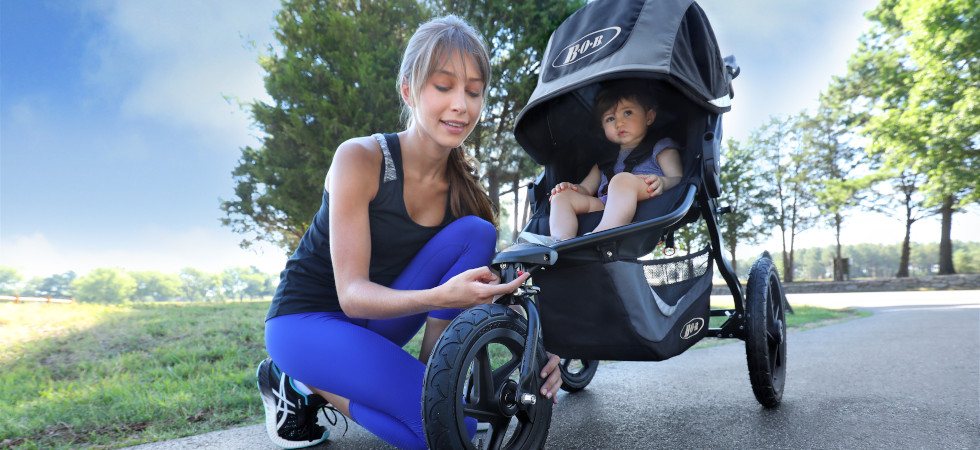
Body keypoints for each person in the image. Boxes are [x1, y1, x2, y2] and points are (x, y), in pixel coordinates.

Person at [255, 15, 563, 450]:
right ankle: (302, 381)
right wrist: (440, 297)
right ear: (408, 90)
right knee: (451, 433)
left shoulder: (463, 196)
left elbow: (492, 290)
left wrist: (541, 349)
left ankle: (431, 378)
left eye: (474, 91)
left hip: (377, 322)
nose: (461, 105)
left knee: (476, 232)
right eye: (444, 86)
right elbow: (352, 294)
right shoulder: (360, 159)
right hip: (306, 322)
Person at [537, 81, 683, 242]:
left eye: (627, 113)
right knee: (561, 196)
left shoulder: (661, 147)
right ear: (603, 127)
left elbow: (679, 178)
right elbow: (586, 188)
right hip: (605, 206)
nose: (619, 122)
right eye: (610, 118)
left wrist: (663, 182)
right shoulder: (603, 161)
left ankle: (601, 236)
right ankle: (560, 240)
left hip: (645, 196)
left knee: (621, 180)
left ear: (649, 116)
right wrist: (571, 188)